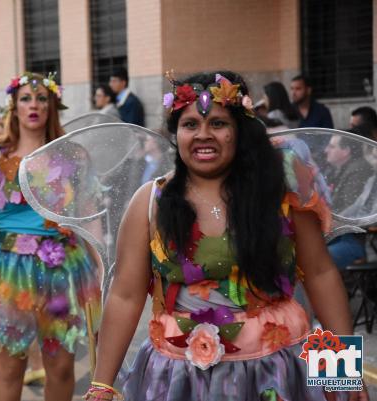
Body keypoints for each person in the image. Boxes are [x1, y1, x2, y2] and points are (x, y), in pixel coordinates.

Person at [85, 71, 368, 400]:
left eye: (218, 124)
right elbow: (125, 296)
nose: (203, 135)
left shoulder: (283, 193)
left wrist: (345, 375)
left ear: (240, 131)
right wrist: (101, 385)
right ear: (176, 134)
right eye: (190, 125)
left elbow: (321, 274)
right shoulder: (149, 201)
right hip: (179, 379)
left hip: (277, 372)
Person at [0, 72, 101, 401]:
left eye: (42, 99)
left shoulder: (73, 156)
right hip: (10, 269)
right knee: (11, 365)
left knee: (61, 365)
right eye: (26, 99)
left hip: (62, 268)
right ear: (13, 107)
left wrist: (101, 262)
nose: (34, 105)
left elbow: (88, 213)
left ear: (52, 107)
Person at [324, 126, 373, 271]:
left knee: (310, 261)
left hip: (353, 241)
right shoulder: (342, 169)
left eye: (331, 146)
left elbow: (351, 212)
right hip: (342, 236)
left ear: (346, 151)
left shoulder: (359, 170)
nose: (326, 150)